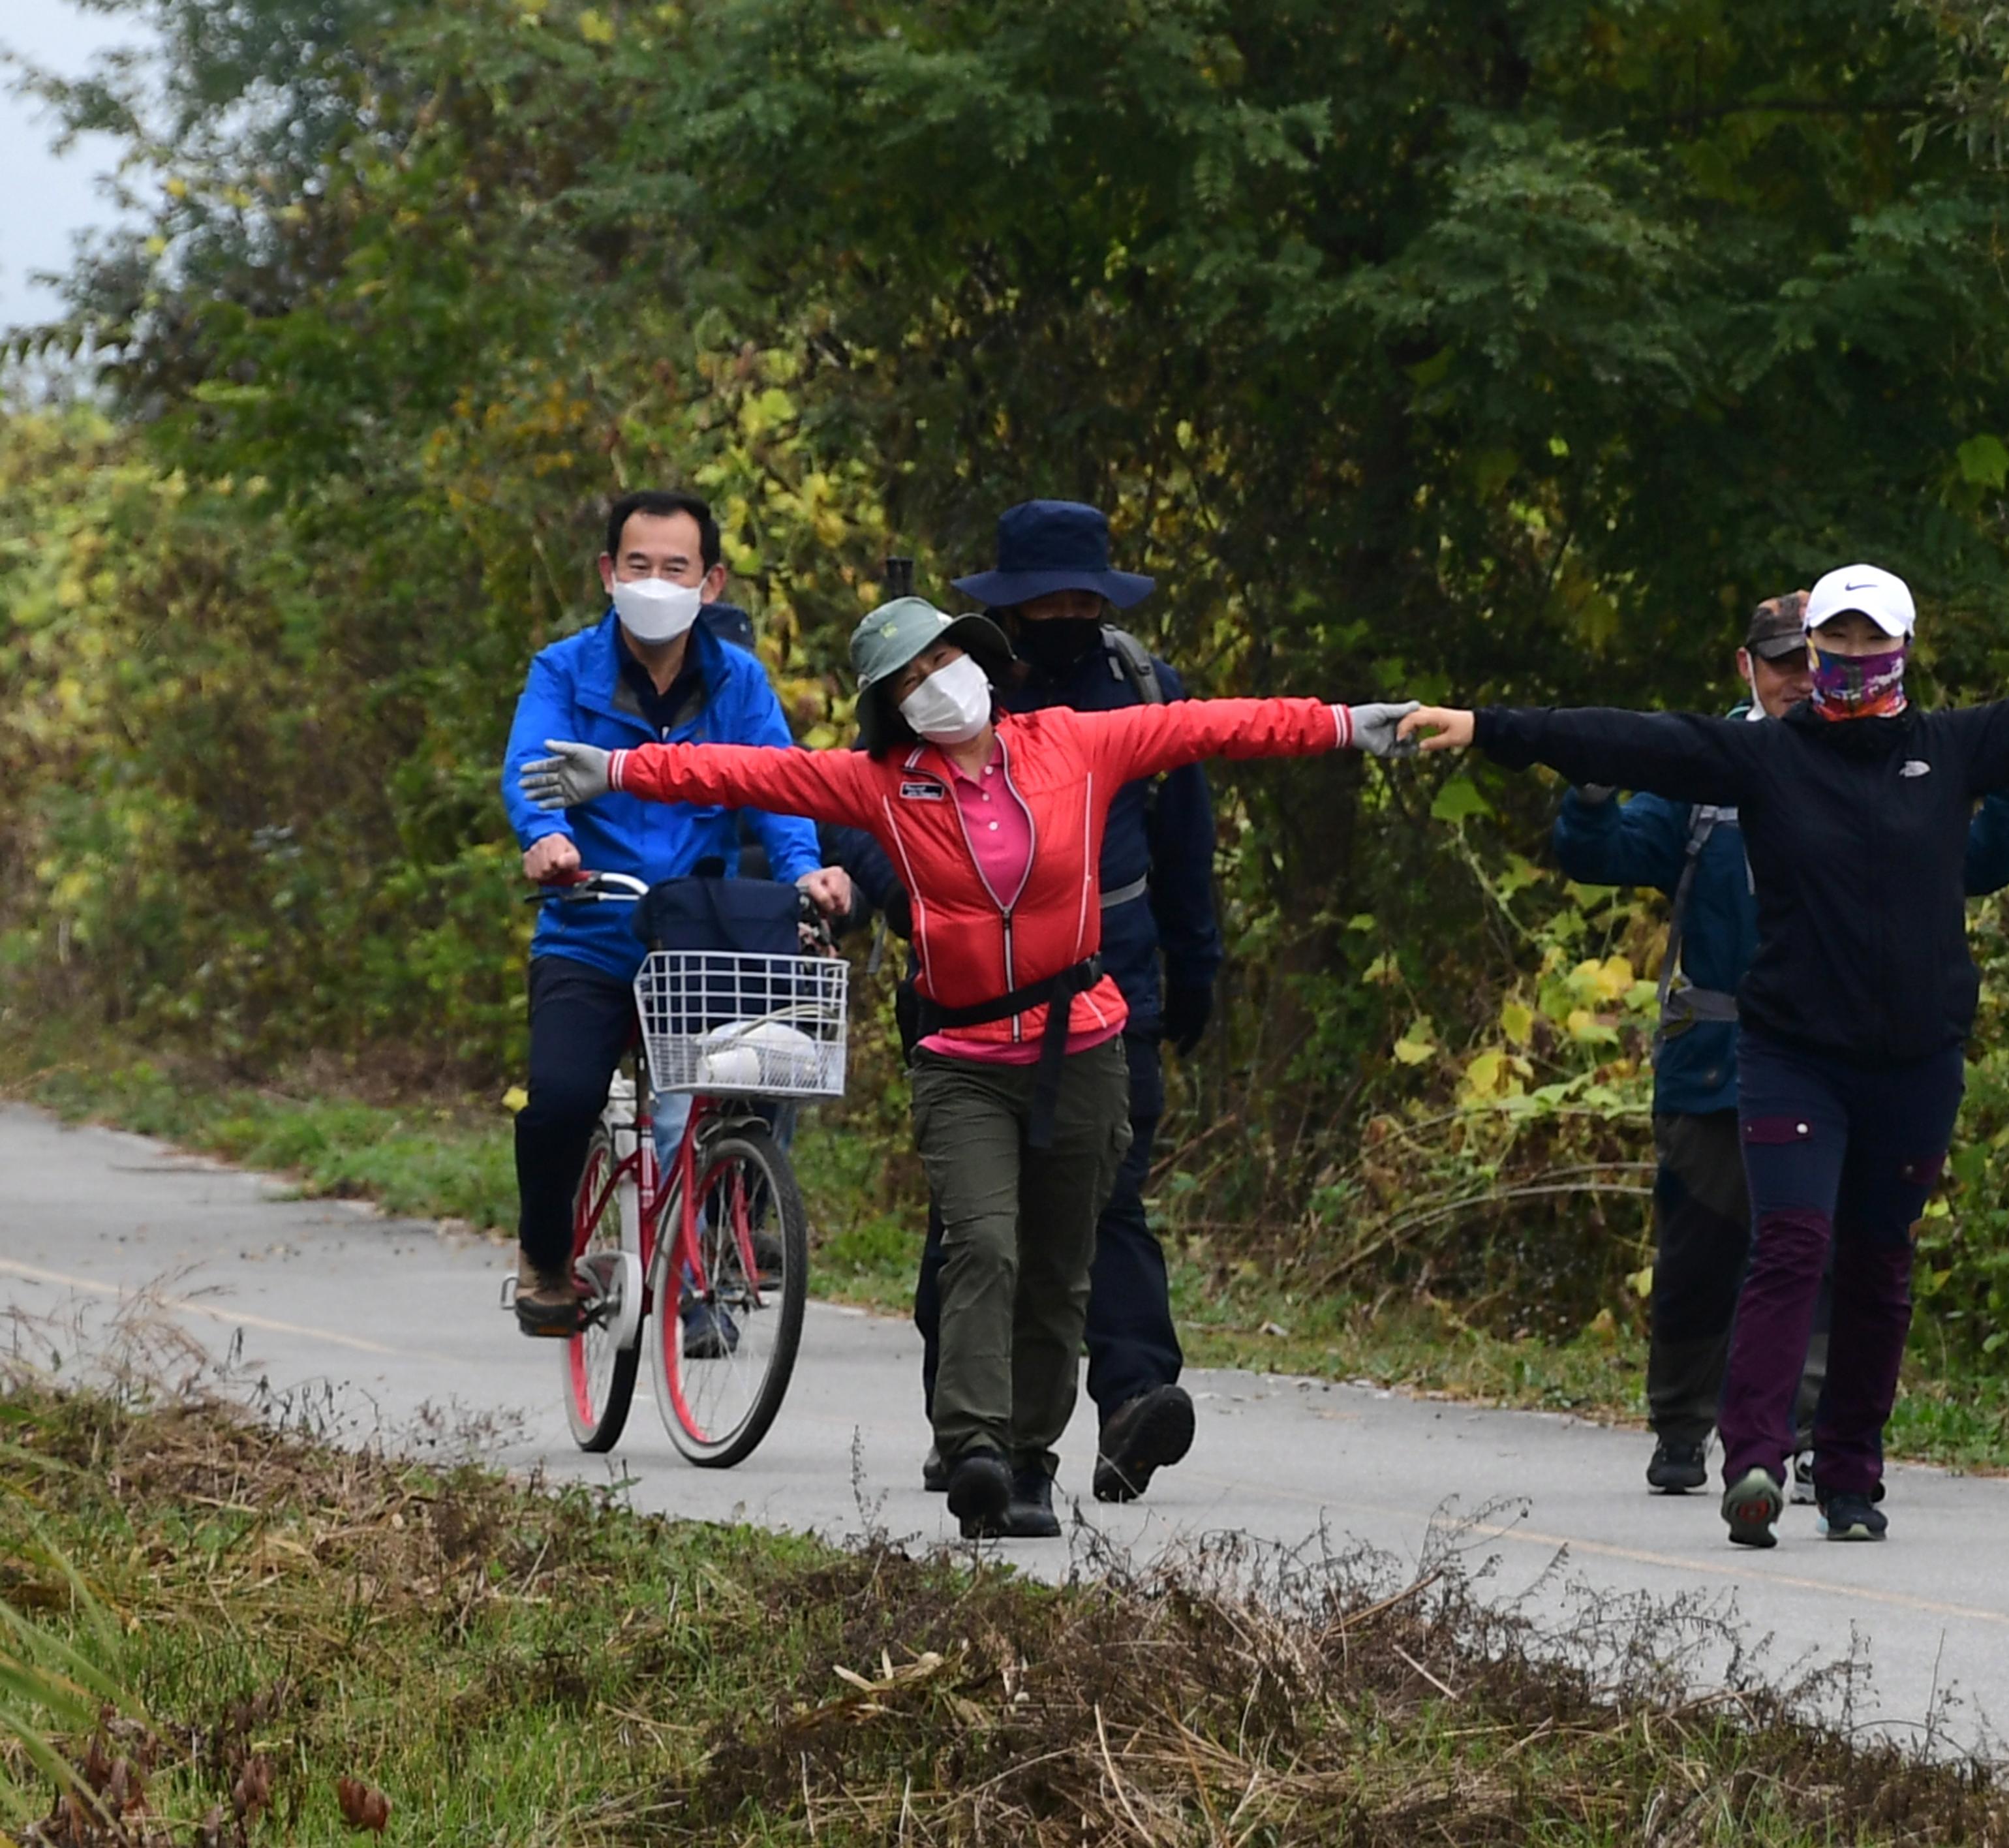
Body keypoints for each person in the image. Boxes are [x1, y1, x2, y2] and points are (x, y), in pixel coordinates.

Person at [1400, 564, 2009, 1548]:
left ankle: (1850, 1483)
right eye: (1832, 648)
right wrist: (1492, 728)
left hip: (1916, 1060)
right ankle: (1752, 1460)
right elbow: (1631, 737)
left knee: (1878, 1265)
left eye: (1868, 647)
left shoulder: (1955, 749)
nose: (1847, 664)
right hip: (1795, 1053)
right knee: (1791, 1246)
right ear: (1812, 655)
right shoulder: (1768, 761)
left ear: (1902, 654)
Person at [519, 595, 1415, 1539]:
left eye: (942, 659)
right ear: (892, 708)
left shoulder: (1076, 743)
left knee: (1061, 1269)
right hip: (962, 1057)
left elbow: (1216, 725)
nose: (934, 685)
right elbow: (757, 771)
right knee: (983, 1246)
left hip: (1082, 1046)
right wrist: (617, 767)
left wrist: (1349, 726)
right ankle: (975, 1451)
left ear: (978, 660)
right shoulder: (882, 783)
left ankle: (1031, 1460)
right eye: (909, 680)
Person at [1552, 590, 2009, 1496]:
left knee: (1815, 1252)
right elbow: (1602, 853)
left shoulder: (1888, 762)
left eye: (1803, 660)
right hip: (1714, 1061)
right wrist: (1587, 795)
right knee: (1701, 1252)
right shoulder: (1709, 778)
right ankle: (1680, 1423)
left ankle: (1807, 1439)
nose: (1793, 677)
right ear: (1750, 667)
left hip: (1839, 1057)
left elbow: (1966, 870)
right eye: (1777, 660)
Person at [888, 501, 1222, 1505]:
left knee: (1103, 1202)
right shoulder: (945, 695)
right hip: (969, 1005)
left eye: (1086, 597)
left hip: (1110, 995)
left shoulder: (1140, 691)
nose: (1068, 613)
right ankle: (970, 1430)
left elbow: (1186, 844)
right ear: (1008, 606)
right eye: (1047, 600)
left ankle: (1131, 1403)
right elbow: (870, 812)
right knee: (977, 1227)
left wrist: (1195, 968)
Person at [499, 489, 852, 1340]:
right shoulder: (563, 670)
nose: (654, 581)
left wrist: (808, 875)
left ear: (712, 581)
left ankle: (709, 1267)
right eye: (638, 565)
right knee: (558, 1102)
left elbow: (780, 790)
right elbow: (531, 772)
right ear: (607, 573)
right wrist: (546, 840)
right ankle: (548, 1260)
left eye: (676, 567)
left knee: (747, 1088)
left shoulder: (740, 683)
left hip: (701, 934)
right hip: (591, 927)